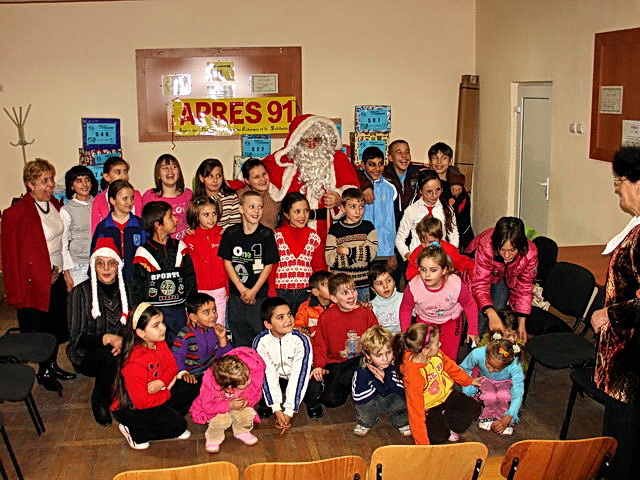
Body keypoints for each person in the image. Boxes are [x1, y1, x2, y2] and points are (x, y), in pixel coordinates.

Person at [1, 158, 76, 392]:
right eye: (44, 181)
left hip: (54, 278)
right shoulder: (16, 213)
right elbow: (9, 256)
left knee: (55, 325)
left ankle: (51, 365)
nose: (50, 185)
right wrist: (15, 292)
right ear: (30, 184)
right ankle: (43, 371)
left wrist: (64, 271)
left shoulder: (53, 203)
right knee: (40, 329)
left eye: (51, 179)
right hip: (33, 283)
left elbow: (61, 242)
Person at [591, 146, 640, 480]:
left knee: (625, 441)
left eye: (620, 180)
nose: (617, 187)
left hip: (631, 366)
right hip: (625, 362)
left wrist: (611, 314)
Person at [111, 303, 199, 450]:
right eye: (156, 325)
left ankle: (165, 418)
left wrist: (162, 382)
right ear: (141, 333)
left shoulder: (158, 342)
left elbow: (172, 367)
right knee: (180, 426)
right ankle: (134, 431)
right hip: (132, 408)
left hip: (157, 392)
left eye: (162, 322)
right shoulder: (134, 362)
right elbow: (142, 402)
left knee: (190, 386)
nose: (163, 328)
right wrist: (167, 391)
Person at [263, 114, 360, 245]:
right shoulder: (285, 160)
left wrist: (339, 197)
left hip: (323, 228)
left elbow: (353, 190)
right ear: (297, 140)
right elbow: (254, 172)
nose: (312, 145)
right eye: (306, 140)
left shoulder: (337, 159)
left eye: (317, 140)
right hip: (291, 229)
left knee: (321, 264)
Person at [67, 237, 129, 426]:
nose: (106, 269)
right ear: (94, 266)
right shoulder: (80, 293)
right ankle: (99, 399)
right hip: (87, 353)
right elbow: (76, 337)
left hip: (122, 346)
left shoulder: (126, 290)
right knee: (108, 355)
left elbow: (134, 325)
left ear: (118, 266)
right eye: (100, 264)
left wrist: (123, 341)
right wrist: (107, 338)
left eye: (111, 263)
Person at [394, 323, 482, 445]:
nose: (440, 344)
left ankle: (446, 419)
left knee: (474, 408)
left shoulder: (435, 354)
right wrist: (423, 445)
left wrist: (469, 380)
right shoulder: (413, 375)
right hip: (430, 406)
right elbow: (415, 412)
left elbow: (450, 366)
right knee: (438, 437)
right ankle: (441, 421)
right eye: (437, 343)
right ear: (425, 351)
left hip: (446, 395)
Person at [309, 273, 379, 413]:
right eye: (345, 292)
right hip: (337, 363)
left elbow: (376, 340)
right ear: (334, 298)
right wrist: (318, 366)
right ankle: (349, 386)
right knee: (331, 401)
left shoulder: (366, 313)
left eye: (353, 290)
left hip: (362, 361)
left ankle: (359, 386)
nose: (351, 295)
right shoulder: (326, 317)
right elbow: (320, 344)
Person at [218, 191, 280, 347]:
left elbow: (268, 266)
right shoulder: (231, 233)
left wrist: (252, 291)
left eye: (260, 207)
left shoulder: (266, 234)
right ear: (241, 209)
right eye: (251, 207)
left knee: (259, 336)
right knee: (238, 333)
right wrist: (241, 289)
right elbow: (227, 263)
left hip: (258, 296)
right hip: (236, 295)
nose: (256, 211)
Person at [131, 201, 196, 346]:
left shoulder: (180, 247)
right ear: (157, 224)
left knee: (181, 346)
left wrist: (192, 309)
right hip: (155, 315)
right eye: (170, 216)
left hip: (179, 313)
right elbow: (137, 288)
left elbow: (190, 280)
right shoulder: (143, 253)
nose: (176, 219)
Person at [400, 243, 478, 360]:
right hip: (425, 321)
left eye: (433, 270)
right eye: (423, 269)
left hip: (451, 321)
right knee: (425, 356)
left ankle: (447, 377)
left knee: (449, 357)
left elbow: (469, 304)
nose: (427, 275)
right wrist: (406, 334)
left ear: (444, 270)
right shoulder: (413, 287)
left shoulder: (455, 284)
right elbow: (405, 309)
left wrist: (472, 330)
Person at [466, 216, 537, 340]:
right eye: (502, 250)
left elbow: (525, 287)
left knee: (498, 310)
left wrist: (521, 323)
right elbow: (479, 284)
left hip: (504, 277)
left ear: (520, 246)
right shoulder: (486, 245)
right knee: (481, 314)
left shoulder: (530, 253)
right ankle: (474, 352)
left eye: (512, 250)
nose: (507, 255)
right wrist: (489, 312)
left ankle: (490, 349)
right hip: (477, 273)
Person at [252, 297, 317, 429]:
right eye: (280, 317)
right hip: (275, 377)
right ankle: (268, 404)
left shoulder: (301, 340)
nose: (288, 320)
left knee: (313, 384)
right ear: (268, 324)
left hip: (295, 376)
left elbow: (299, 374)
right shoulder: (260, 342)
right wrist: (276, 408)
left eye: (289, 314)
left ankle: (311, 402)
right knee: (259, 381)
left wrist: (289, 411)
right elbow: (267, 373)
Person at [190, 347, 266, 453]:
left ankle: (242, 431)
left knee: (247, 413)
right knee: (221, 421)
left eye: (248, 376)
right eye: (244, 382)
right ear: (230, 386)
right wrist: (229, 405)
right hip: (216, 408)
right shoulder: (211, 387)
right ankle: (213, 438)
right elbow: (207, 407)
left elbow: (256, 394)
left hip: (236, 404)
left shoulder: (247, 376)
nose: (249, 381)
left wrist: (247, 402)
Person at [459, 333, 524, 436]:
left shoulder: (514, 365)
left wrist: (508, 418)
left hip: (505, 382)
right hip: (484, 379)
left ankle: (503, 420)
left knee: (504, 396)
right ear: (487, 353)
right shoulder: (478, 353)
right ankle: (486, 416)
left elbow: (518, 392)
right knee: (490, 396)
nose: (490, 369)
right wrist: (469, 386)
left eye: (497, 369)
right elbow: (463, 369)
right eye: (488, 363)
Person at [271, 192, 325, 314]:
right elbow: (272, 267)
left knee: (304, 327)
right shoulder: (276, 236)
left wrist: (319, 291)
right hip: (282, 292)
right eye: (297, 211)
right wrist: (272, 293)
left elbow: (318, 267)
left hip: (306, 293)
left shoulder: (313, 236)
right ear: (286, 214)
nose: (302, 215)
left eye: (306, 211)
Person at [351, 326, 410, 437]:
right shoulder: (362, 370)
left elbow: (404, 389)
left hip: (392, 396)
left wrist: (386, 377)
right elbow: (358, 396)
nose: (385, 359)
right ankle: (366, 422)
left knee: (402, 402)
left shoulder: (397, 364)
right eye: (378, 355)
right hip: (371, 398)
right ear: (368, 355)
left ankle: (400, 420)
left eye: (388, 352)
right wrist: (379, 384)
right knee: (365, 408)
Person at [325, 188, 378, 302]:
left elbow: (371, 254)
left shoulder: (368, 227)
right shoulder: (335, 230)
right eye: (352, 207)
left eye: (361, 207)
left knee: (362, 316)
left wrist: (347, 252)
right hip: (340, 286)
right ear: (342, 208)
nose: (358, 211)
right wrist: (359, 254)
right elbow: (330, 259)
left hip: (362, 285)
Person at [396, 170, 459, 263]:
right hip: (418, 260)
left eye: (438, 190)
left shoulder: (447, 209)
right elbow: (400, 239)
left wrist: (449, 255)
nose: (434, 195)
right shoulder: (411, 210)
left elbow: (453, 235)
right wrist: (409, 256)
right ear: (420, 191)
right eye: (429, 192)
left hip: (441, 260)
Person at [91, 180, 148, 282]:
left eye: (131, 198)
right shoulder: (103, 227)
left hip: (138, 280)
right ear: (112, 200)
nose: (130, 202)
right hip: (111, 281)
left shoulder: (141, 225)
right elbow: (95, 257)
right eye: (125, 198)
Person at [183, 196, 227, 325]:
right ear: (196, 216)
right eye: (206, 215)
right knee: (199, 327)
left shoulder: (223, 235)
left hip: (220, 289)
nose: (211, 218)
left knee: (218, 324)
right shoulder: (190, 238)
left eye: (214, 214)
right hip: (199, 289)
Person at [171, 292, 232, 382]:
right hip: (192, 376)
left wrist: (222, 338)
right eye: (206, 312)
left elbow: (225, 356)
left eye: (214, 310)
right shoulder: (185, 334)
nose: (213, 315)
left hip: (211, 373)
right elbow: (177, 356)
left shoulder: (215, 330)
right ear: (193, 317)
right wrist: (183, 373)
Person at [61, 165, 98, 290]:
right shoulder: (66, 210)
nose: (84, 184)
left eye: (87, 179)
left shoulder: (99, 204)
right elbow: (63, 244)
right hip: (78, 266)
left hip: (100, 263)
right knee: (81, 305)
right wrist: (66, 273)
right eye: (79, 181)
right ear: (71, 186)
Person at [359, 147, 398, 267]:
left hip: (384, 250)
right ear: (363, 165)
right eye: (372, 164)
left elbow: (392, 223)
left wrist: (392, 252)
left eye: (380, 164)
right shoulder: (357, 185)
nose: (377, 169)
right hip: (361, 250)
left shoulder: (390, 188)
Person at [405, 217, 474, 283]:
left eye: (431, 242)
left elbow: (462, 262)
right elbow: (410, 274)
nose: (427, 246)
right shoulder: (417, 253)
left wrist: (473, 271)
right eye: (423, 242)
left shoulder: (448, 249)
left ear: (440, 238)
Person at [142, 154, 192, 240]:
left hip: (185, 246)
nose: (170, 171)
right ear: (158, 175)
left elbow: (195, 221)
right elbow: (146, 227)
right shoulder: (150, 196)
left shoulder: (188, 194)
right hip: (161, 247)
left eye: (174, 167)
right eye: (165, 168)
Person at [91, 156, 143, 235]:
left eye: (125, 172)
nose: (123, 176)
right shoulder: (99, 200)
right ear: (107, 177)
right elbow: (95, 230)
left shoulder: (136, 195)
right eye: (117, 172)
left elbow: (141, 222)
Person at [193, 158, 242, 229]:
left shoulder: (231, 198)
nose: (215, 180)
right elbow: (193, 224)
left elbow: (236, 226)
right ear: (201, 178)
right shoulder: (197, 201)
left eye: (218, 176)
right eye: (210, 176)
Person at [236, 158, 282, 230]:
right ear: (247, 180)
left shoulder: (276, 195)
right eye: (256, 177)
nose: (263, 179)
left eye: (264, 174)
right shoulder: (239, 196)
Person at [294, 270, 332, 338]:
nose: (333, 288)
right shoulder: (305, 307)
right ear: (316, 292)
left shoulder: (339, 305)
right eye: (328, 286)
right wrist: (303, 329)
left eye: (334, 285)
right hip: (314, 345)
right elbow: (298, 325)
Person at [369, 263, 402, 335]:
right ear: (373, 289)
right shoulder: (371, 306)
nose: (385, 286)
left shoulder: (404, 299)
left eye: (388, 281)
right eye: (379, 284)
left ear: (394, 281)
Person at [447, 168, 474, 251]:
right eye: (454, 190)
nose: (456, 193)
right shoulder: (445, 196)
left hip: (462, 233)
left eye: (459, 189)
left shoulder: (465, 198)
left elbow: (465, 221)